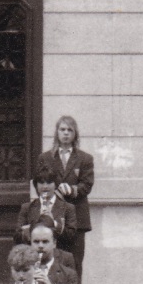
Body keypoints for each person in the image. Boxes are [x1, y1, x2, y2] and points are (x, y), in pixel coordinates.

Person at [33, 114, 94, 272]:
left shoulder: (85, 158)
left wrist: (72, 190)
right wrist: (54, 194)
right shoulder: (45, 158)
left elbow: (87, 185)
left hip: (77, 220)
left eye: (70, 130)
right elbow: (38, 183)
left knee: (74, 265)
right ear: (57, 132)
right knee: (51, 264)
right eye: (62, 129)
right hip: (52, 217)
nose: (66, 133)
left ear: (75, 134)